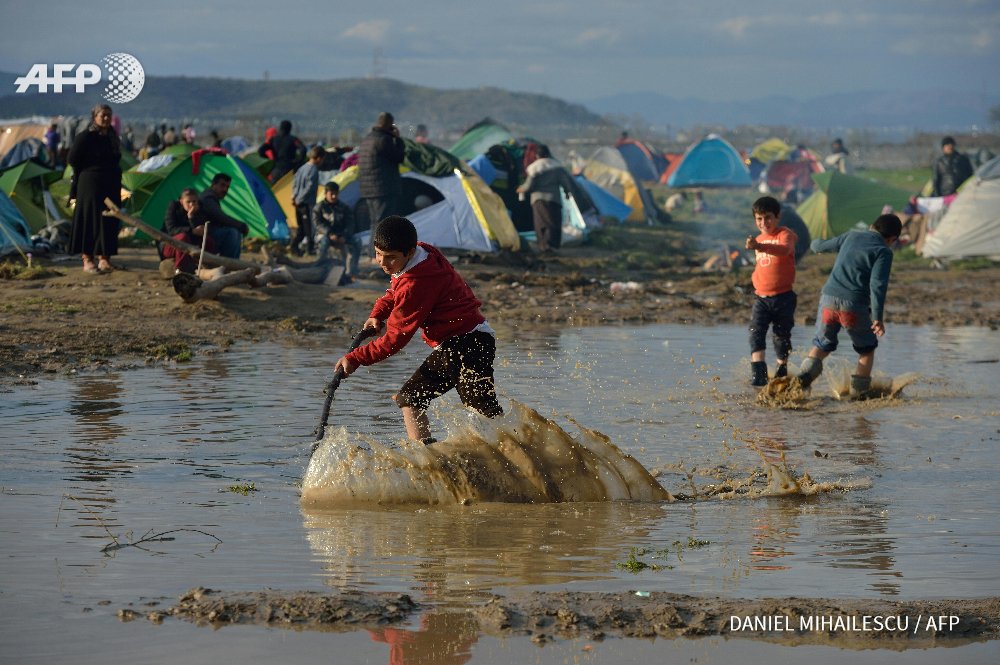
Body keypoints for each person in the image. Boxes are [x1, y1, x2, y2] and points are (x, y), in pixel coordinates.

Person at [334, 216, 504, 444]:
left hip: (465, 345)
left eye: (390, 257)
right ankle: (431, 457)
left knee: (481, 414)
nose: (383, 262)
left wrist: (355, 358)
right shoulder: (424, 253)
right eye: (378, 254)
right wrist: (378, 313)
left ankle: (430, 457)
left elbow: (395, 339)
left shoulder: (415, 284)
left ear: (409, 252)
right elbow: (395, 290)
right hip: (468, 340)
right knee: (415, 399)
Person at [796, 213, 902, 400]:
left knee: (822, 345)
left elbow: (818, 246)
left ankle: (800, 382)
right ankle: (858, 397)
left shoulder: (852, 236)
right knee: (866, 349)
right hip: (854, 305)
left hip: (828, 300)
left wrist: (815, 245)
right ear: (892, 239)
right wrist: (877, 318)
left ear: (872, 226)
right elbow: (877, 286)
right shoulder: (883, 251)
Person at [745, 196, 798, 386]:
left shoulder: (785, 234)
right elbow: (762, 266)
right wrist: (755, 281)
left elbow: (784, 250)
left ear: (777, 217)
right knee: (755, 333)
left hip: (784, 297)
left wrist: (759, 246)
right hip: (761, 298)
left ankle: (781, 370)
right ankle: (758, 377)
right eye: (759, 219)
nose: (763, 223)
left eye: (768, 217)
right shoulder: (758, 239)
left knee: (781, 336)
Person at [67, 104, 122, 274]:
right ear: (95, 117)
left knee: (108, 220)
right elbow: (72, 159)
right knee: (89, 220)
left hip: (110, 183)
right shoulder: (85, 136)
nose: (106, 118)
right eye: (103, 115)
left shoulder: (112, 136)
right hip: (90, 183)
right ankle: (87, 259)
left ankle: (104, 258)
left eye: (108, 115)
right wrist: (90, 167)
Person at [515, 145, 575, 254]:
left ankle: (543, 245)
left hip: (538, 200)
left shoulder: (534, 168)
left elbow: (529, 186)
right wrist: (567, 193)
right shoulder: (557, 167)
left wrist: (521, 189)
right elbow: (566, 183)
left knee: (541, 223)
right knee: (554, 222)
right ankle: (553, 245)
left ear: (537, 155)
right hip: (554, 199)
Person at [357, 111, 405, 241]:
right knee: (382, 224)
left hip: (368, 189)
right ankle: (377, 250)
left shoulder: (367, 139)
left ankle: (372, 250)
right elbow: (399, 157)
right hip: (382, 188)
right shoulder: (384, 140)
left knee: (374, 222)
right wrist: (398, 139)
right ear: (389, 124)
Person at [313, 181, 360, 284]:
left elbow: (350, 224)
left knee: (357, 241)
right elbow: (318, 224)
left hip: (341, 235)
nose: (334, 196)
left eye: (336, 194)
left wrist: (344, 235)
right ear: (325, 194)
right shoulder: (319, 207)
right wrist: (329, 234)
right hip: (324, 235)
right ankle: (319, 268)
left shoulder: (344, 207)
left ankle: (352, 273)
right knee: (323, 243)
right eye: (331, 194)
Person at [161, 188, 215, 274]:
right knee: (183, 237)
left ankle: (205, 266)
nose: (191, 204)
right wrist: (191, 231)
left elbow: (202, 230)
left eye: (194, 201)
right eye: (188, 202)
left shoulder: (200, 210)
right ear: (181, 201)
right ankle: (181, 270)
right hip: (170, 245)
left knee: (208, 240)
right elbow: (171, 230)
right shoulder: (173, 208)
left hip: (191, 246)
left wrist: (191, 217)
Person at [199, 173, 249, 259]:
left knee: (234, 232)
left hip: (209, 231)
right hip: (202, 233)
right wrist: (241, 226)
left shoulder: (212, 197)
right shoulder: (207, 198)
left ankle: (233, 263)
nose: (225, 189)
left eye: (227, 187)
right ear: (213, 184)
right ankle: (228, 263)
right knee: (232, 233)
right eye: (222, 185)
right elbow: (220, 217)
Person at [290, 146, 325, 255]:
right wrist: (300, 199)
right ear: (319, 158)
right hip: (306, 203)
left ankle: (294, 247)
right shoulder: (313, 170)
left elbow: (295, 183)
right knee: (309, 228)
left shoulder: (302, 168)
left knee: (301, 228)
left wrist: (293, 197)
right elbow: (309, 188)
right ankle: (310, 249)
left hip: (297, 202)